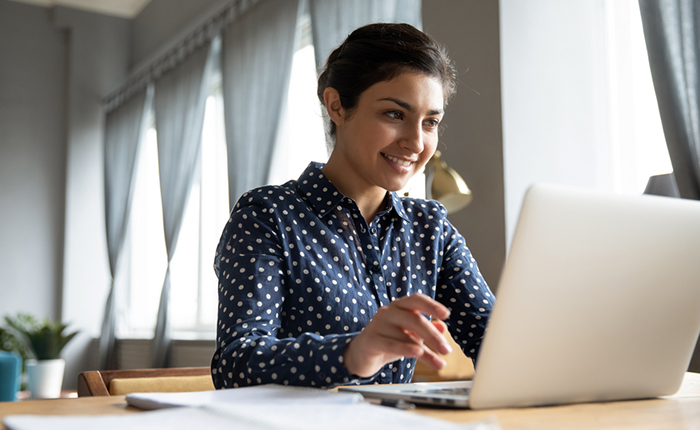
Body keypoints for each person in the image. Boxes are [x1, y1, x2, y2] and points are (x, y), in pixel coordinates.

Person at [211, 23, 494, 389]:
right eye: (395, 114)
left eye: (430, 122)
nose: (416, 142)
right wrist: (353, 352)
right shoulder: (267, 216)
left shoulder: (430, 229)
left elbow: (495, 342)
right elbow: (236, 363)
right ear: (337, 106)